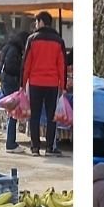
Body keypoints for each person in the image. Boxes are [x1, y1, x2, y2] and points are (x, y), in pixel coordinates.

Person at [19, 12, 68, 156]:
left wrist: (22, 84)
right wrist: (63, 86)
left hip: (35, 83)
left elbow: (26, 64)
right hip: (52, 84)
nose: (35, 24)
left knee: (34, 116)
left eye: (36, 22)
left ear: (40, 22)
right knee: (52, 117)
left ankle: (35, 148)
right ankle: (49, 148)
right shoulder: (59, 41)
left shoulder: (32, 39)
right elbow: (62, 66)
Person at [0, 31, 28, 151]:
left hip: (5, 81)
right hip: (11, 82)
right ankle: (10, 143)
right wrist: (21, 68)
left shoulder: (8, 47)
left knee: (11, 113)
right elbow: (11, 66)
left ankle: (10, 141)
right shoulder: (14, 50)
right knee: (13, 114)